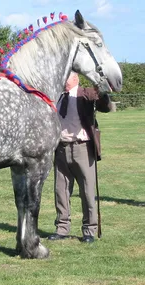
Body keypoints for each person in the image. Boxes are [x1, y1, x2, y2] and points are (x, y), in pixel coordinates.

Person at [48, 72, 112, 243]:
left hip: (82, 148)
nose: (63, 80)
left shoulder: (87, 93)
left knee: (87, 191)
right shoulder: (58, 96)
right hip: (61, 148)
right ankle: (62, 228)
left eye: (66, 76)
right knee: (61, 191)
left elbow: (105, 106)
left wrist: (103, 92)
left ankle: (89, 231)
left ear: (75, 79)